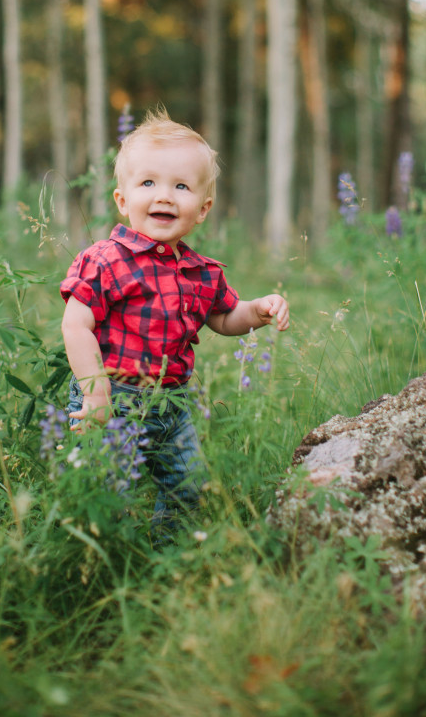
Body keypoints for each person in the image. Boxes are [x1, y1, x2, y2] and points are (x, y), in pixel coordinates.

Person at [60, 108, 290, 543]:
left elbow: (223, 317)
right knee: (110, 488)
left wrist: (256, 310)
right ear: (122, 200)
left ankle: (172, 554)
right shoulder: (105, 259)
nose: (164, 196)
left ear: (202, 210)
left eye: (181, 186)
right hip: (113, 396)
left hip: (174, 404)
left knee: (188, 486)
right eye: (148, 183)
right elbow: (76, 325)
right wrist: (95, 389)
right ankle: (109, 559)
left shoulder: (203, 272)